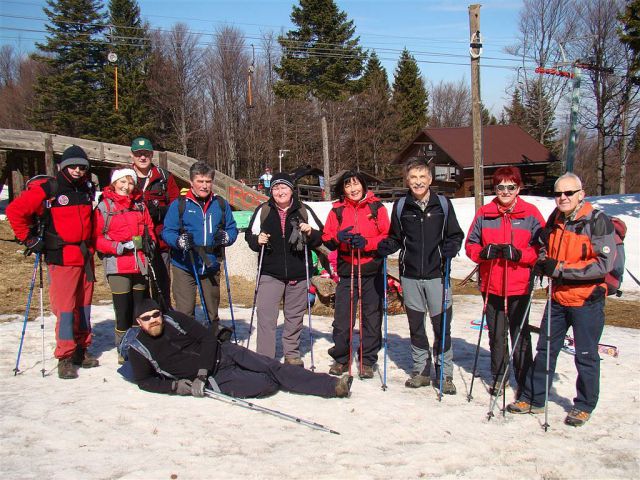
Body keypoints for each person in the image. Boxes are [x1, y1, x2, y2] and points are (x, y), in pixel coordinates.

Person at [507, 172, 616, 427]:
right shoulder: (556, 218)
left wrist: (560, 268)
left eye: (568, 193)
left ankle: (584, 404)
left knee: (585, 355)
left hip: (587, 300)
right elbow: (544, 243)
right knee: (545, 350)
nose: (563, 198)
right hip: (557, 298)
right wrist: (543, 260)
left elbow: (603, 264)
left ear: (581, 194)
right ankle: (534, 398)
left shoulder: (597, 221)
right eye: (558, 194)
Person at [128, 298, 353, 399]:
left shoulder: (173, 319)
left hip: (223, 352)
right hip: (217, 379)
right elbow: (145, 381)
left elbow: (207, 338)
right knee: (267, 382)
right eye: (147, 318)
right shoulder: (139, 349)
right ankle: (279, 379)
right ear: (139, 322)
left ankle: (333, 386)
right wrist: (175, 386)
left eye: (156, 314)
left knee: (274, 366)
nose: (154, 320)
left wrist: (201, 372)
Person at [6, 145, 98, 379]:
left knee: (84, 305)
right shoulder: (51, 188)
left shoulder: (87, 188)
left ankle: (81, 348)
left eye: (82, 166)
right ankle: (65, 356)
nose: (78, 170)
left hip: (84, 256)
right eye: (73, 166)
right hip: (62, 255)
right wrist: (28, 239)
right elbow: (15, 210)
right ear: (63, 166)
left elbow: (91, 222)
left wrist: (93, 247)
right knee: (66, 308)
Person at [377, 159, 464, 394]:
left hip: (438, 275)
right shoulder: (401, 206)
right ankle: (421, 371)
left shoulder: (442, 205)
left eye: (422, 177)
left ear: (430, 180)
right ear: (407, 180)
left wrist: (452, 247)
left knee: (441, 326)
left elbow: (455, 234)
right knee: (416, 326)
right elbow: (396, 237)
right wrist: (387, 245)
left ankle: (444, 374)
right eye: (413, 178)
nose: (418, 182)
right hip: (411, 275)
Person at [465, 166, 545, 396]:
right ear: (495, 189)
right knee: (496, 335)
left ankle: (524, 380)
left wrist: (521, 255)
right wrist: (483, 252)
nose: (506, 191)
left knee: (520, 335)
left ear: (518, 188)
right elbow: (471, 244)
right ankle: (499, 377)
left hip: (519, 284)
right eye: (501, 187)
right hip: (492, 284)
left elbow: (541, 247)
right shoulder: (485, 213)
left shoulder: (530, 213)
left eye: (511, 187)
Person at [245, 173, 324, 366]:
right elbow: (250, 236)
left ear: (291, 190)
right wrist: (257, 240)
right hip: (270, 272)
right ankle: (264, 358)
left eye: (284, 188)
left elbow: (320, 236)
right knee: (266, 316)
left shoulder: (303, 210)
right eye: (276, 188)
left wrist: (310, 232)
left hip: (298, 272)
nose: (280, 192)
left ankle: (292, 354)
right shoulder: (263, 210)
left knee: (294, 317)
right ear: (271, 191)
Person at [322, 170, 390, 379]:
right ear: (343, 189)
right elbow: (327, 237)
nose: (353, 189)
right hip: (348, 269)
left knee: (371, 318)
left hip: (371, 269)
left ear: (364, 185)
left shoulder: (376, 207)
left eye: (356, 184)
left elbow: (388, 236)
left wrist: (368, 243)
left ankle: (367, 360)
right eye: (348, 185)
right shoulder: (337, 210)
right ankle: (341, 358)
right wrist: (338, 237)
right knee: (343, 318)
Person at [162, 161, 238, 334]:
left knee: (212, 311)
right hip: (184, 264)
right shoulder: (180, 205)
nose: (204, 185)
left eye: (208, 181)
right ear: (191, 182)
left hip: (210, 264)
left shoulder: (220, 204)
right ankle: (187, 345)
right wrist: (179, 241)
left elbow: (231, 228)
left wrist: (227, 237)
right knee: (185, 311)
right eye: (200, 181)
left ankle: (213, 342)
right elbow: (168, 231)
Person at [93, 168, 157, 364]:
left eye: (130, 183)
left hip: (139, 264)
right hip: (118, 265)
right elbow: (96, 238)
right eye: (122, 182)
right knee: (122, 310)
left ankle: (138, 345)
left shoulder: (140, 205)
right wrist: (118, 247)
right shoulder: (105, 206)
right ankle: (123, 347)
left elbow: (150, 228)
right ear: (114, 183)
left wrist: (150, 242)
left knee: (139, 309)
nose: (126, 187)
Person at [129, 137, 180, 306]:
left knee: (161, 284)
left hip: (160, 242)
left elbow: (176, 207)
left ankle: (164, 317)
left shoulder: (164, 177)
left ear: (152, 155)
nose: (142, 157)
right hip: (134, 242)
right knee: (139, 285)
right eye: (138, 154)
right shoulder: (124, 178)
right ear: (132, 156)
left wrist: (159, 211)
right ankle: (141, 321)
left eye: (146, 154)